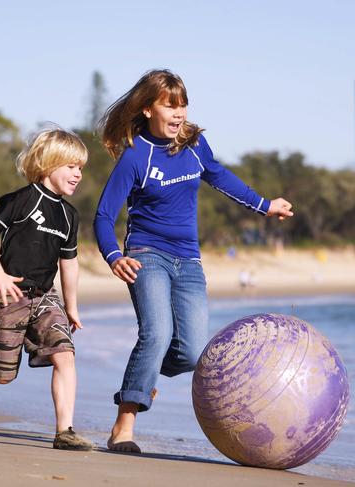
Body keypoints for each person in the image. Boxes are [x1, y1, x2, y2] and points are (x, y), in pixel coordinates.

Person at [93, 69, 294, 453]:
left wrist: (265, 205)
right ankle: (124, 425)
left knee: (190, 350)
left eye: (183, 105)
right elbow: (104, 215)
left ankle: (145, 371)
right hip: (146, 254)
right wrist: (113, 256)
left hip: (188, 260)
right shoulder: (136, 155)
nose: (179, 113)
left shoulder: (194, 145)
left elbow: (220, 177)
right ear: (148, 108)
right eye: (171, 105)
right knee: (155, 334)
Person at [0, 126, 94, 451]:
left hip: (45, 298)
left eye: (81, 169)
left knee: (65, 354)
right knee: (3, 376)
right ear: (48, 164)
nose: (78, 175)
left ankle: (65, 431)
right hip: (10, 295)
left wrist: (71, 306)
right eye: (71, 166)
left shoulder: (70, 216)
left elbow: (68, 264)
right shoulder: (23, 199)